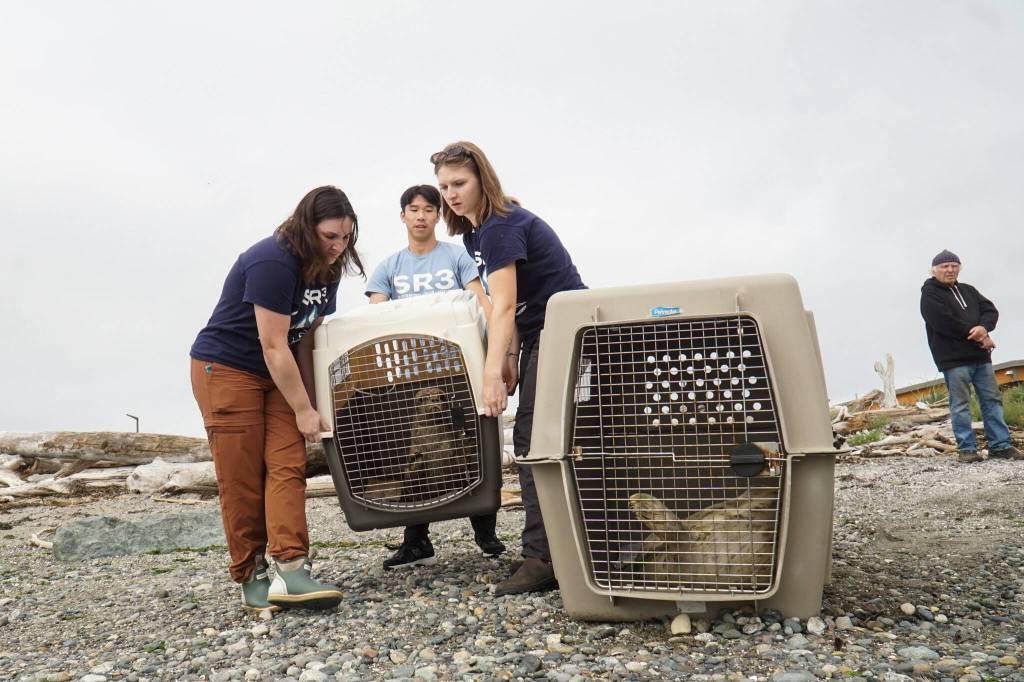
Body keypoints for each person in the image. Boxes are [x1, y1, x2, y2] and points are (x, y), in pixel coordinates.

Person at [189, 186, 360, 611]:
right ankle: (251, 576)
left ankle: (293, 568)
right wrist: (302, 408)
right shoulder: (272, 260)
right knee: (242, 476)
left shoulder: (329, 268)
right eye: (329, 237)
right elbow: (273, 344)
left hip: (281, 374)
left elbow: (305, 338)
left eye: (345, 238)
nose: (338, 248)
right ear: (307, 228)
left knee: (288, 466)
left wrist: (312, 402)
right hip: (228, 369)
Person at [431, 141, 586, 596]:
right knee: (543, 439)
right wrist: (513, 357)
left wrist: (491, 374)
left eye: (459, 183)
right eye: (444, 187)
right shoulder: (477, 233)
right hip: (543, 332)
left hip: (569, 332)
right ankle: (556, 549)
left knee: (532, 438)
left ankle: (543, 558)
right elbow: (515, 305)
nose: (451, 194)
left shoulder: (500, 227)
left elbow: (500, 308)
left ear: (482, 178)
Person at [365, 184, 506, 569]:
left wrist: (500, 354)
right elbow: (374, 320)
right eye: (414, 209)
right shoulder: (389, 267)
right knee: (416, 456)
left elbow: (482, 302)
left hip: (458, 371)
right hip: (412, 379)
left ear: (438, 215)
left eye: (430, 208)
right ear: (403, 216)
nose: (422, 215)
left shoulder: (457, 257)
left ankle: (485, 530)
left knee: (472, 447)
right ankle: (416, 540)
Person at [920, 249, 1022, 463]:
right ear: (934, 270)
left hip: (980, 358)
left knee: (992, 400)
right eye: (944, 266)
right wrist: (978, 336)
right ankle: (966, 449)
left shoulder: (969, 290)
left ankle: (1000, 446)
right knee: (960, 404)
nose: (950, 270)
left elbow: (990, 311)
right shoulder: (929, 294)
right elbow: (944, 322)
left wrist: (984, 328)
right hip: (954, 360)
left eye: (954, 265)